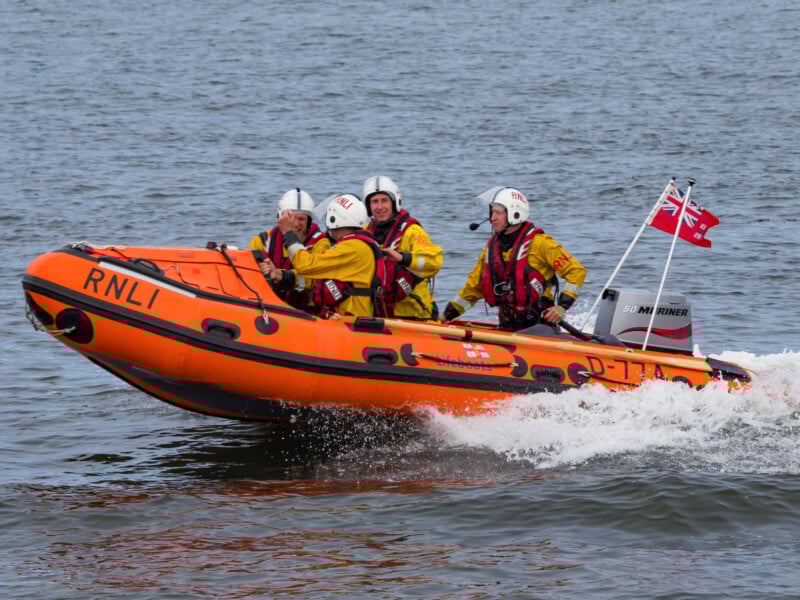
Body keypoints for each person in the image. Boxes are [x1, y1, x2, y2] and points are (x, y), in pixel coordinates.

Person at [442, 186, 586, 331]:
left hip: (540, 326)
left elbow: (576, 272)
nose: (492, 218)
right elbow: (472, 290)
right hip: (507, 326)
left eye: (498, 213)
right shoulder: (490, 251)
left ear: (515, 213)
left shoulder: (541, 243)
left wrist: (561, 307)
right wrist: (446, 316)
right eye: (492, 212)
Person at [260, 194, 382, 318]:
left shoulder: (352, 248)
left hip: (353, 322)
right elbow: (314, 277)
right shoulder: (354, 245)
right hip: (346, 318)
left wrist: (288, 234)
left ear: (334, 219)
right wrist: (279, 274)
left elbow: (306, 265)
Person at [362, 175, 443, 319]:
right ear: (368, 206)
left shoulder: (412, 231)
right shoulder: (365, 231)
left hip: (415, 314)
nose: (380, 207)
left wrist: (403, 258)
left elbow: (435, 262)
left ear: (394, 202)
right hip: (382, 314)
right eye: (374, 202)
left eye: (384, 200)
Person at [249, 188, 331, 311]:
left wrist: (279, 274)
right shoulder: (262, 240)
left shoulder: (321, 243)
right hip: (269, 306)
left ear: (309, 221)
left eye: (301, 219)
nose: (296, 224)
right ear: (281, 218)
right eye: (291, 218)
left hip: (305, 311)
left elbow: (314, 280)